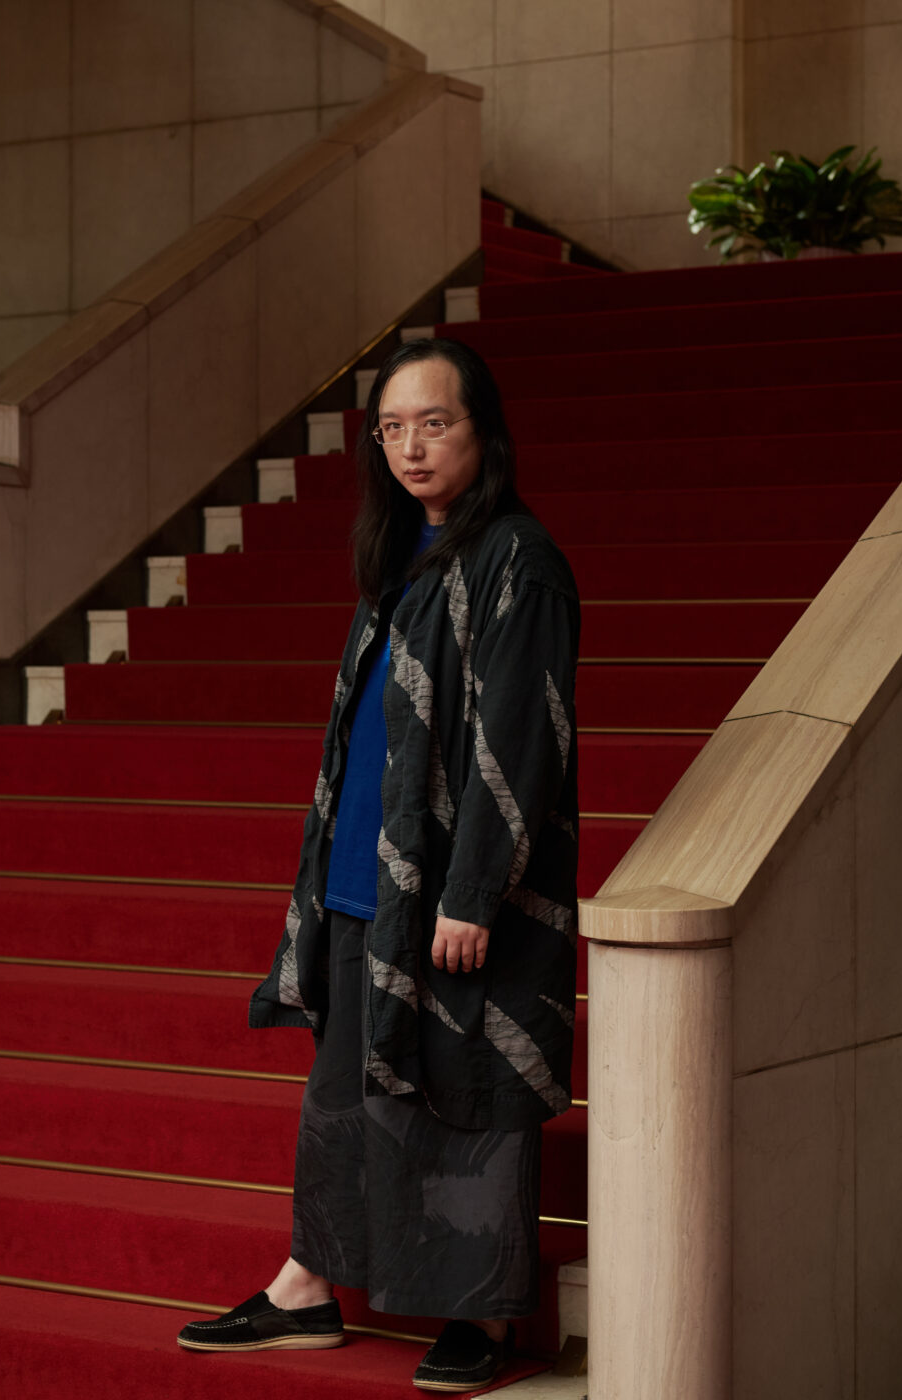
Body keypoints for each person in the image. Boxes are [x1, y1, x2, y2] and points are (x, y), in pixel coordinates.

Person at [177, 338, 580, 1392]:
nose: (410, 446)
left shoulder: (519, 560)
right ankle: (307, 1285)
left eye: (433, 423)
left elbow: (521, 742)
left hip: (454, 893)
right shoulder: (404, 552)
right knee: (345, 1088)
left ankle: (480, 1312)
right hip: (368, 878)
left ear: (483, 430)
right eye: (392, 428)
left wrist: (474, 891)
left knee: (465, 1089)